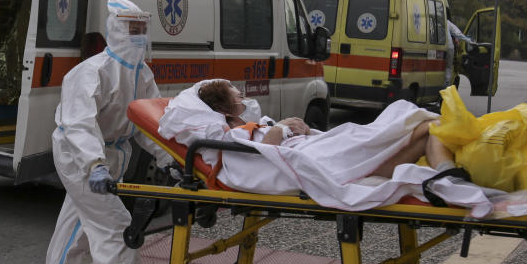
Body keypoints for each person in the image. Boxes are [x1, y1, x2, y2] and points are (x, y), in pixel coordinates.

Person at [36, 0, 176, 264]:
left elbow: (147, 122)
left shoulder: (142, 74)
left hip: (109, 155)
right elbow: (78, 125)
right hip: (79, 155)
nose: (139, 36)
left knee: (78, 224)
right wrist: (93, 165)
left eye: (143, 29)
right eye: (132, 29)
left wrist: (169, 158)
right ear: (116, 30)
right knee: (116, 228)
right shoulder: (89, 72)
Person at [194, 78, 454, 178]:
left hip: (319, 147)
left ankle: (448, 176)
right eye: (238, 98)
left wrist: (300, 129)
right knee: (422, 124)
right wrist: (283, 127)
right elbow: (264, 153)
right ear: (224, 110)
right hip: (320, 159)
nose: (244, 101)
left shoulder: (256, 123)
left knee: (427, 128)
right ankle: (450, 177)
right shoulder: (232, 135)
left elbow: (276, 140)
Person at [444, 18, 472, 88]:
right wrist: (469, 40)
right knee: (449, 67)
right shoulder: (447, 22)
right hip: (448, 46)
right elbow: (457, 33)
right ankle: (446, 85)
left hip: (436, 46)